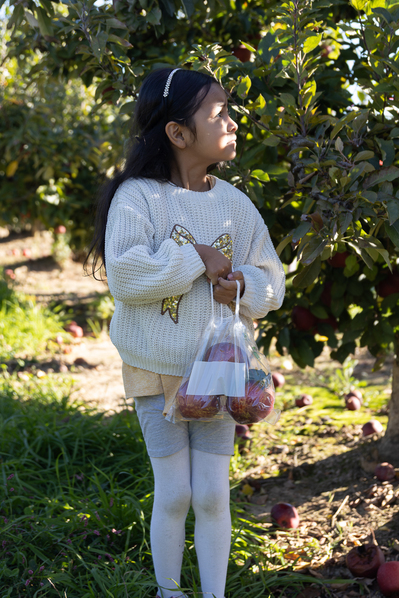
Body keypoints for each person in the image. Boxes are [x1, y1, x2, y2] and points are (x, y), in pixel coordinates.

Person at [84, 67, 286, 598]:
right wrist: (196, 256)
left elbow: (272, 279)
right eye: (218, 113)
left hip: (219, 375)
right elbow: (125, 275)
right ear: (177, 133)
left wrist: (242, 285)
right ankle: (169, 592)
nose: (233, 121)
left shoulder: (236, 206)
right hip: (156, 369)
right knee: (174, 492)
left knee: (213, 495)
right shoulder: (139, 198)